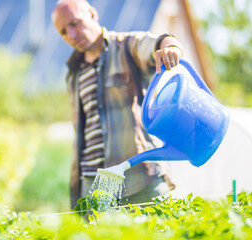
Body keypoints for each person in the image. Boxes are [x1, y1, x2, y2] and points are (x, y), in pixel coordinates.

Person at [52, 0, 182, 207]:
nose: (72, 35)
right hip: (94, 182)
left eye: (75, 23)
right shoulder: (73, 71)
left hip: (139, 176)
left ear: (92, 14)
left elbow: (155, 43)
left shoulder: (126, 46)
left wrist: (169, 47)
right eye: (63, 32)